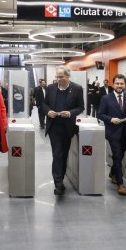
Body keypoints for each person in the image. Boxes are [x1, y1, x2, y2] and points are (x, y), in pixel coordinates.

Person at [42, 66, 84, 195]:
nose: (58, 79)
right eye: (57, 76)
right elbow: (44, 104)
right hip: (53, 126)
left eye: (61, 77)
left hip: (67, 127)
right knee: (57, 154)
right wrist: (48, 111)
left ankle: (61, 178)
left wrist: (70, 113)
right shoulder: (50, 88)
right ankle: (58, 183)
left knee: (64, 154)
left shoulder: (77, 89)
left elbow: (80, 107)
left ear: (68, 76)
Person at [98, 74, 126, 196]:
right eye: (117, 83)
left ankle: (113, 173)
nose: (119, 86)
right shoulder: (106, 98)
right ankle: (120, 184)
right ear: (113, 84)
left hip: (125, 131)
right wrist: (110, 119)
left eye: (122, 84)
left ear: (125, 84)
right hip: (113, 132)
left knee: (120, 155)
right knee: (117, 155)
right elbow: (100, 114)